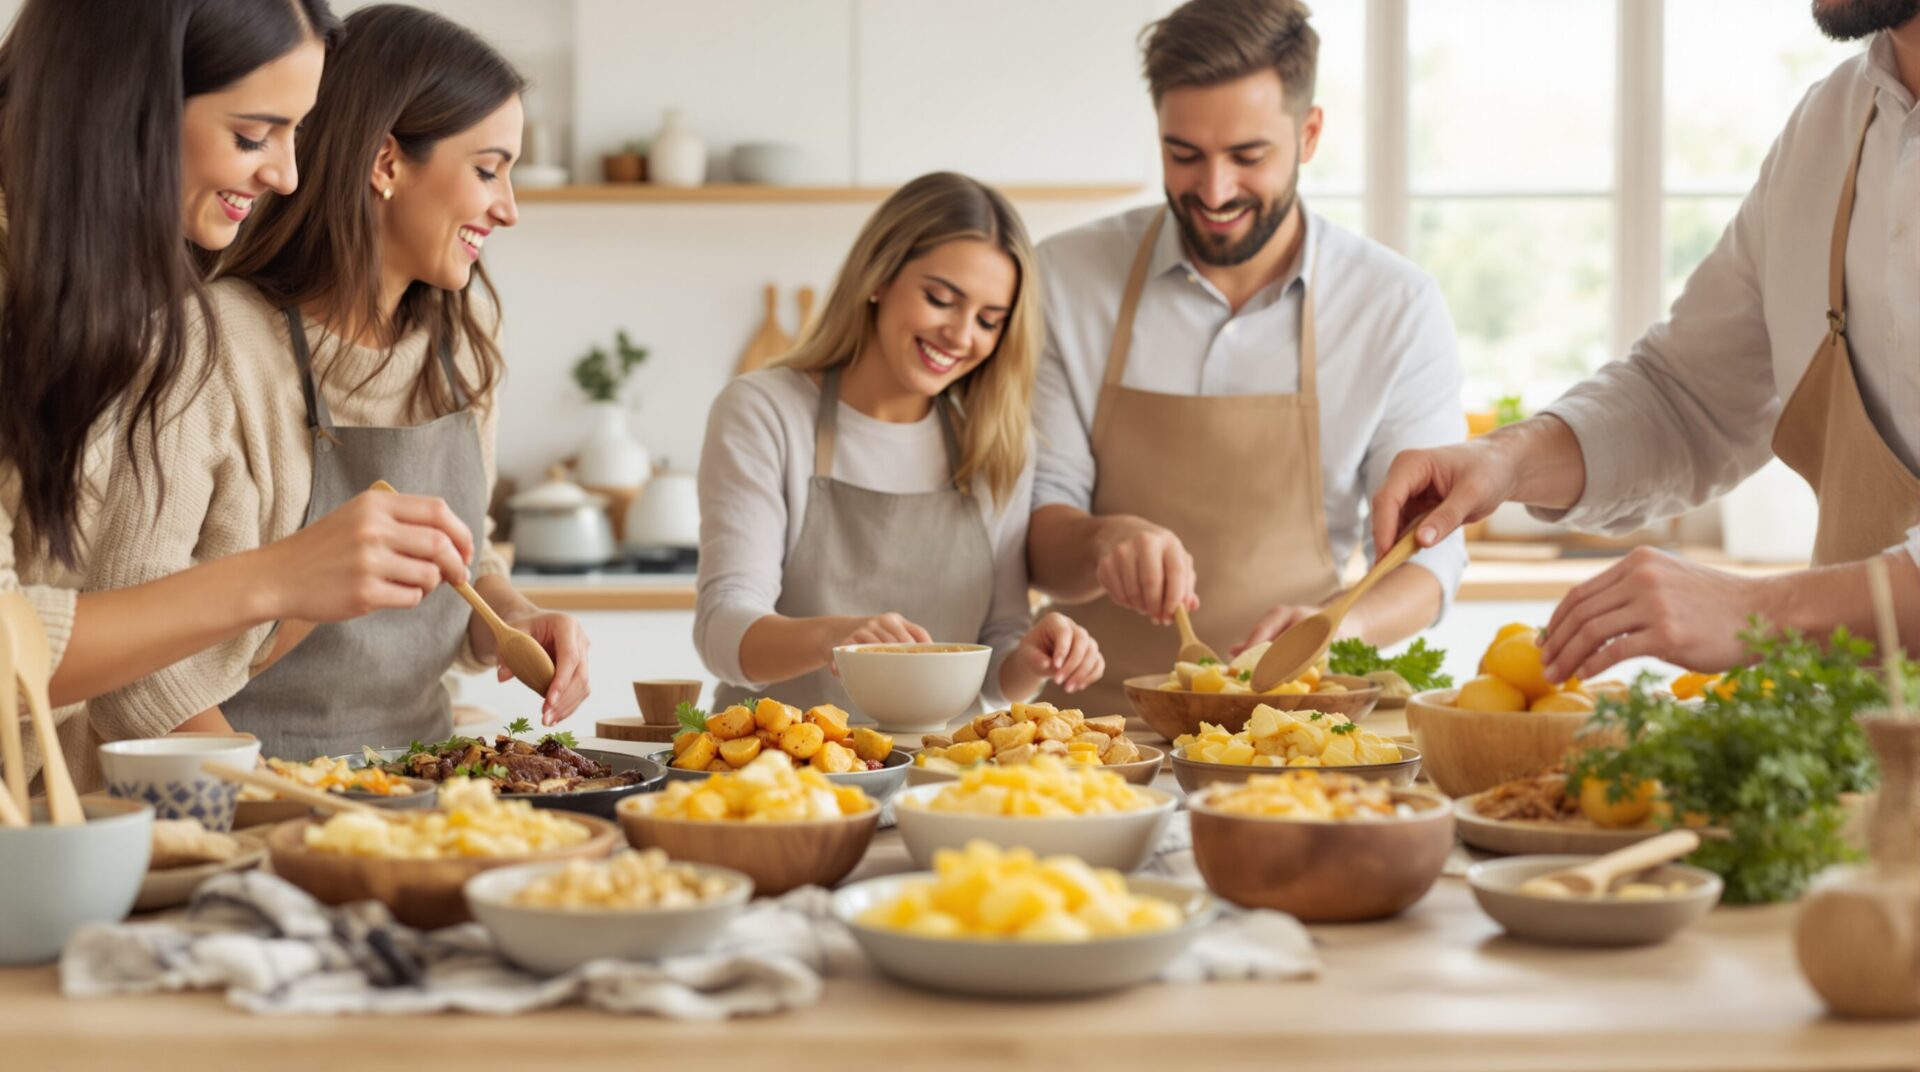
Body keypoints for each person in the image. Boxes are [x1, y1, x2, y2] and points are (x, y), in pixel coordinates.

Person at [82, 5, 587, 762]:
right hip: (251, 804)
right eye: (487, 169)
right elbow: (129, 670)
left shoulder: (466, 340)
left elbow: (464, 561)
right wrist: (280, 812)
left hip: (429, 783)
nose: (508, 209)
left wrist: (509, 614)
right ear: (385, 163)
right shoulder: (201, 345)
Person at [0, 0, 481, 789]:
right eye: (253, 135)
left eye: (297, 132)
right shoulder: (203, 332)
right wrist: (279, 578)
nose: (286, 174)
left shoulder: (99, 294)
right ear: (122, 103)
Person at [1371, 1, 1920, 683]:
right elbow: (1685, 400)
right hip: (1866, 755)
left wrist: (1765, 608)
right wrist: (1506, 458)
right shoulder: (1829, 129)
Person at [1024, 0, 1466, 716]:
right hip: (1096, 732)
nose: (1215, 191)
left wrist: (1335, 628)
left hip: (1298, 722)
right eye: (1184, 155)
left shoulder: (1394, 307)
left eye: (1248, 157)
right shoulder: (1065, 282)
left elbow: (1431, 551)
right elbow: (1039, 534)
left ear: (1309, 133)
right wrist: (1106, 541)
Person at [695, 172, 1103, 716]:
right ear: (880, 277)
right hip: (778, 777)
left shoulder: (999, 442)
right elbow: (723, 631)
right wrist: (832, 640)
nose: (961, 336)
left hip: (941, 779)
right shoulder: (764, 411)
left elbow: (997, 653)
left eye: (988, 320)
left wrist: (1030, 659)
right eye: (940, 299)